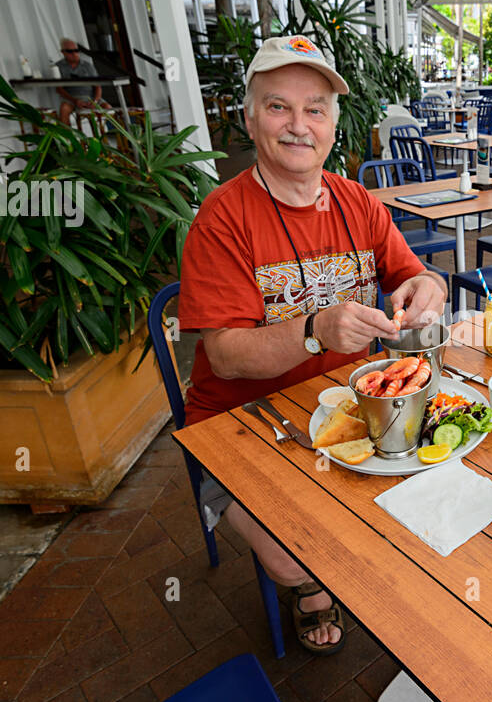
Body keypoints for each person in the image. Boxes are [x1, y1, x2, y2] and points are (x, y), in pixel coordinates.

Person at [178, 35, 447, 656]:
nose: (299, 125)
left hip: (351, 405)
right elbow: (223, 356)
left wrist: (424, 290)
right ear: (249, 118)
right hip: (242, 421)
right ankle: (312, 587)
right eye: (278, 107)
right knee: (302, 560)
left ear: (333, 124)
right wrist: (312, 331)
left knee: (433, 501)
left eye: (315, 108)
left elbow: (414, 275)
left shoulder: (357, 200)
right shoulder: (220, 218)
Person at [55, 38, 104, 127]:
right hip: (72, 98)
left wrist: (95, 101)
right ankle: (67, 138)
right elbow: (59, 89)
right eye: (70, 51)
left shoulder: (87, 65)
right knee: (64, 108)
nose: (74, 54)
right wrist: (75, 100)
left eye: (76, 50)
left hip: (91, 97)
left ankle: (104, 134)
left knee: (108, 108)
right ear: (63, 52)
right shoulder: (58, 67)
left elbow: (98, 87)